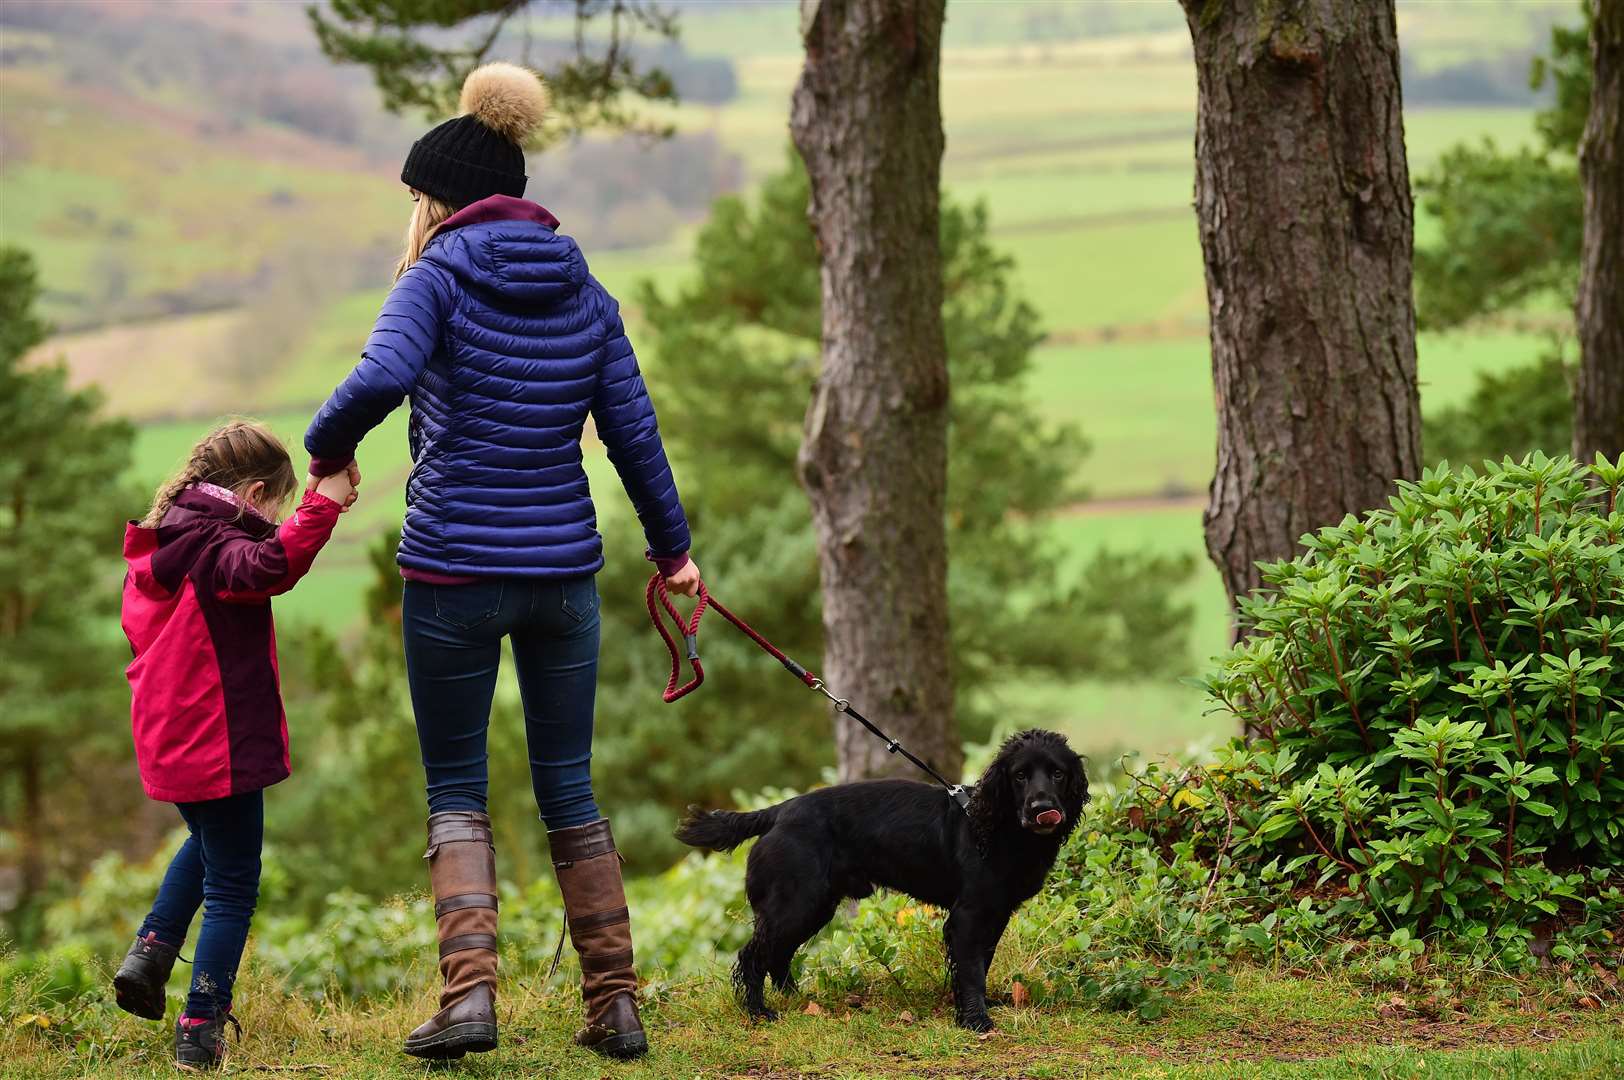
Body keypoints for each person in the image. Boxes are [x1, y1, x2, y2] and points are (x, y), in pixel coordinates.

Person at [303, 62, 698, 1062]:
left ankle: (470, 1000)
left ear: (438, 198)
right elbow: (635, 433)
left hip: (451, 573)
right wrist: (675, 554)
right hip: (562, 575)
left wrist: (327, 452)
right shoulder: (585, 285)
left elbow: (380, 377)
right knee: (569, 785)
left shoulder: (432, 278)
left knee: (456, 789)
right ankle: (615, 1005)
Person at [112, 419, 355, 1070]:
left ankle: (152, 951)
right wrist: (322, 503)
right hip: (214, 738)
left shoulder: (169, 536)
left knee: (209, 844)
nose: (275, 517)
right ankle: (201, 1026)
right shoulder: (213, 545)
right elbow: (271, 564)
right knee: (234, 885)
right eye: (274, 504)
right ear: (252, 492)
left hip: (169, 736)